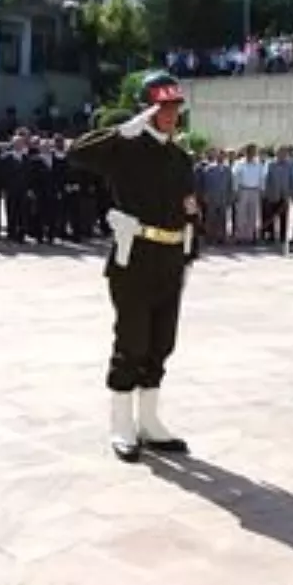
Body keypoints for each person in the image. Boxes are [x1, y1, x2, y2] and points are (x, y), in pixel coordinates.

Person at [66, 71, 199, 463]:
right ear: (147, 110)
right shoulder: (125, 149)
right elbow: (77, 152)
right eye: (162, 108)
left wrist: (191, 254)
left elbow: (189, 208)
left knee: (161, 343)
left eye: (175, 108)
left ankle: (150, 422)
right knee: (132, 342)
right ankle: (121, 424)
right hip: (135, 257)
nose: (171, 115)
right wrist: (123, 131)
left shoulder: (179, 156)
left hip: (171, 258)